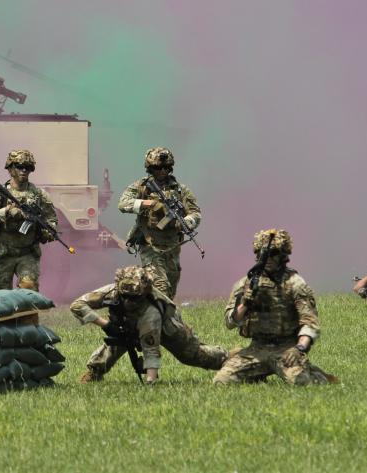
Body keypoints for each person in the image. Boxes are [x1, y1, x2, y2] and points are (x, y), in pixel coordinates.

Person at [213, 229, 335, 385]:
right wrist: (245, 303)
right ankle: (256, 375)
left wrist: (299, 348)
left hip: (286, 349)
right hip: (256, 348)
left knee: (301, 382)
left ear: (283, 255)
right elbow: (231, 322)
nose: (268, 258)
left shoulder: (295, 283)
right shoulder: (246, 284)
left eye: (274, 253)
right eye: (264, 254)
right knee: (221, 381)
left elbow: (310, 323)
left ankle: (317, 375)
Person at [71, 265, 226, 384]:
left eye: (134, 298)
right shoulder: (112, 292)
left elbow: (151, 350)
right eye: (125, 297)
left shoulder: (151, 313)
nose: (128, 302)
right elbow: (78, 305)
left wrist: (150, 382)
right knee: (118, 342)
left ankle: (226, 359)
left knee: (191, 355)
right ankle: (95, 372)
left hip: (166, 329)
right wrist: (105, 324)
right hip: (127, 326)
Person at [117, 147, 201, 299]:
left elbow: (195, 213)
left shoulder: (181, 190)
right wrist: (149, 203)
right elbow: (123, 204)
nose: (162, 171)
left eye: (166, 167)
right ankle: (156, 320)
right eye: (157, 168)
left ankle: (160, 317)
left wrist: (187, 222)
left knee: (170, 289)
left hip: (172, 247)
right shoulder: (141, 187)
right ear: (150, 168)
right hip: (150, 245)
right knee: (160, 286)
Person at [0, 150, 58, 291]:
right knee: (0, 296)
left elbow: (51, 218)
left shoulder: (39, 195)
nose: (24, 170)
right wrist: (8, 212)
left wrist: (48, 231)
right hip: (3, 253)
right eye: (19, 166)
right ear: (10, 169)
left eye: (28, 167)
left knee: (29, 291)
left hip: (27, 253)